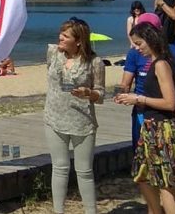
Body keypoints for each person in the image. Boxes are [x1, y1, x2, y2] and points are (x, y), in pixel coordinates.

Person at [116, 22, 175, 214]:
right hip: (152, 130)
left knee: (167, 188)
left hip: (163, 132)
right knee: (145, 178)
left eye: (139, 43)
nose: (136, 48)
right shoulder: (157, 62)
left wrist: (138, 98)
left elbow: (170, 103)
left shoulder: (161, 64)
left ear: (151, 40)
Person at [44, 17, 105, 214]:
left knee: (84, 171)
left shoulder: (94, 62)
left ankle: (90, 211)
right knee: (59, 168)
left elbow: (101, 94)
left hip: (82, 122)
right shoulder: (53, 53)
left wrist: (89, 93)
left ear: (79, 40)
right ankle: (58, 211)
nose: (60, 37)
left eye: (66, 35)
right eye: (61, 33)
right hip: (54, 118)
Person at [118, 12, 175, 151]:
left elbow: (172, 101)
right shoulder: (135, 54)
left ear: (150, 36)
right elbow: (125, 83)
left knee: (158, 160)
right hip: (143, 114)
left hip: (161, 121)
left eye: (139, 43)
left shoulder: (165, 60)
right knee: (142, 153)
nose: (137, 48)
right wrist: (123, 94)